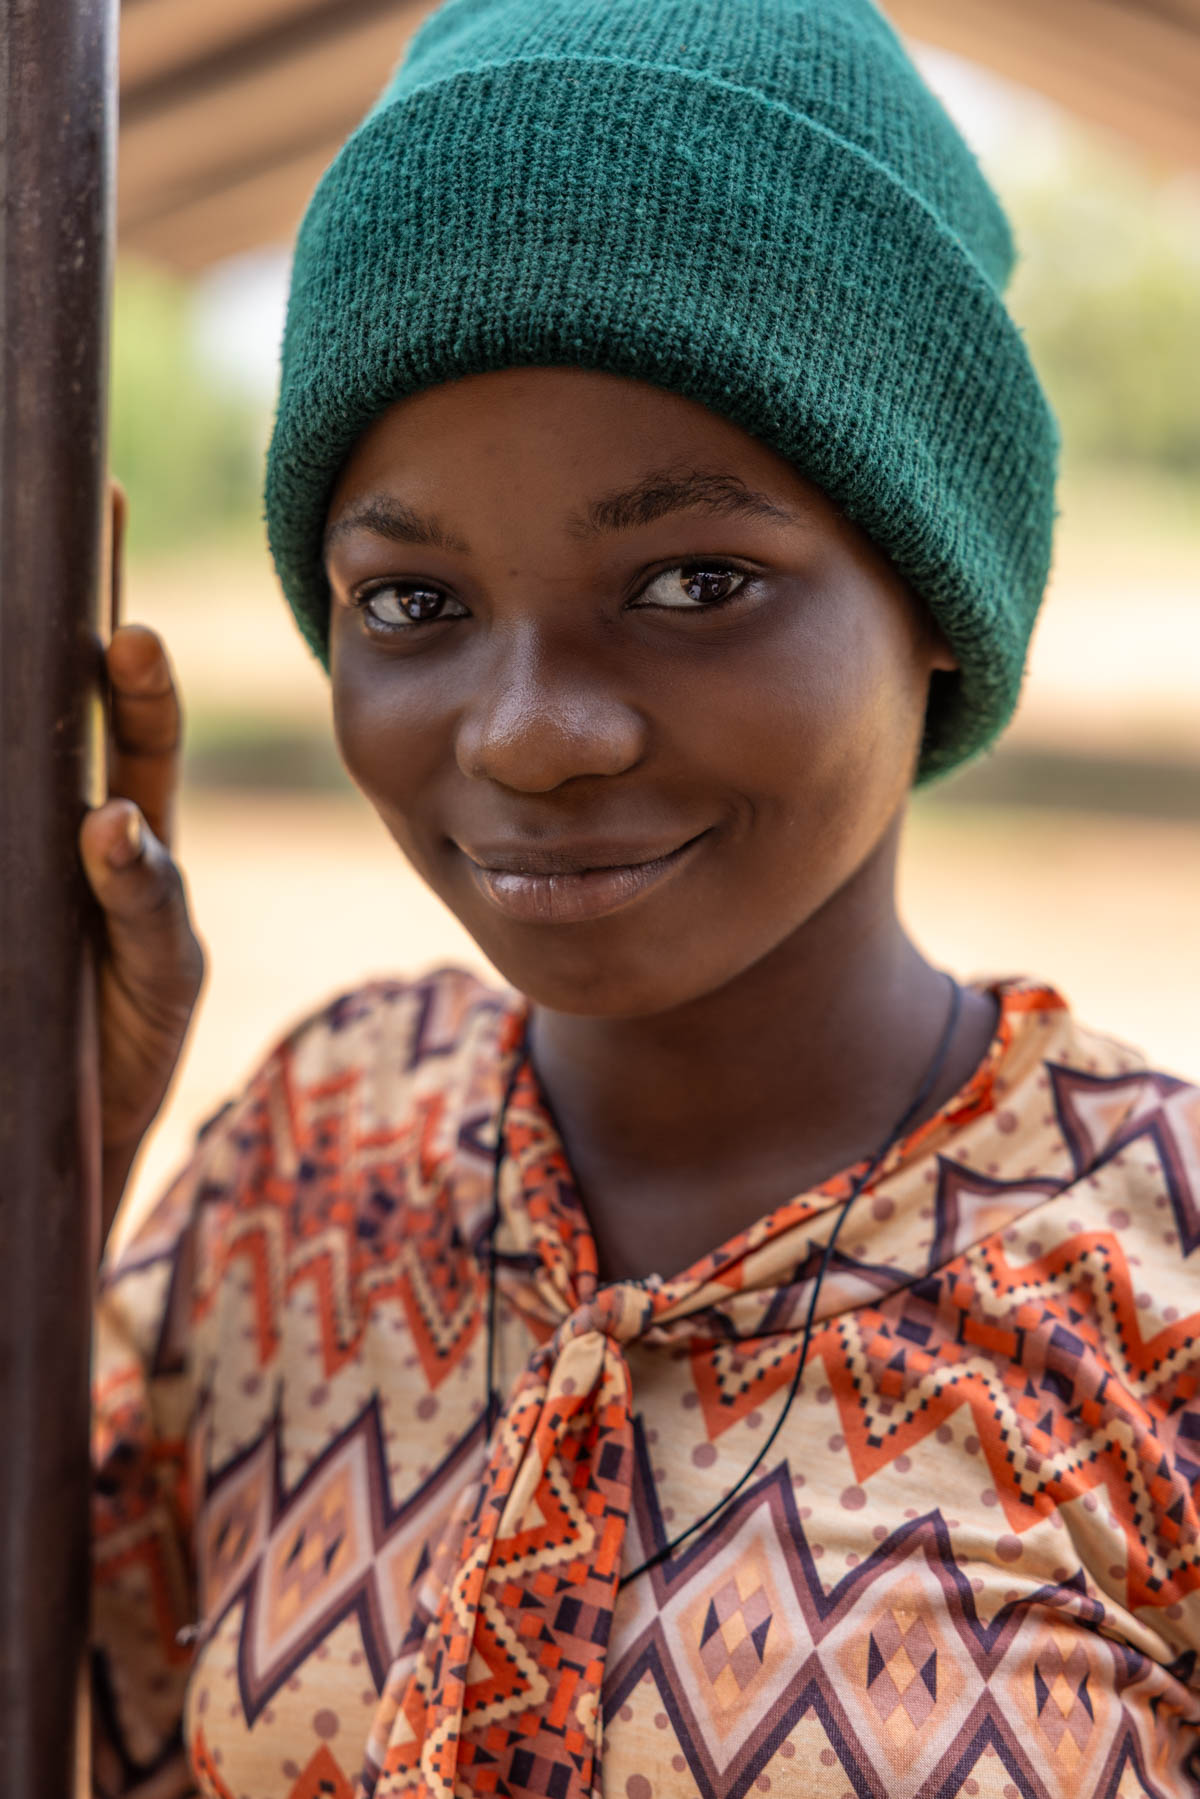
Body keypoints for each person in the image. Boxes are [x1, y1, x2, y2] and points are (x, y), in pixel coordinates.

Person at [84, 0, 1200, 1794]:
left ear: (935, 593)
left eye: (693, 579)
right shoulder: (297, 1163)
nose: (529, 735)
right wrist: (52, 1151)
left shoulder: (1157, 1286)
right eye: (413, 604)